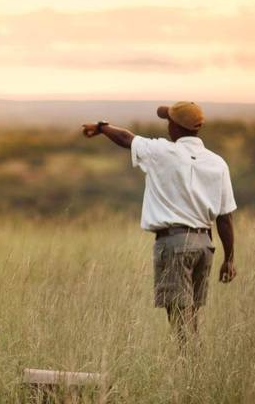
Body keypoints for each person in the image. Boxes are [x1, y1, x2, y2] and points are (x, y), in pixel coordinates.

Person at [82, 101, 237, 348]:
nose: (167, 127)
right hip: (204, 245)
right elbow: (225, 218)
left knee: (179, 318)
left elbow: (125, 138)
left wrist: (102, 128)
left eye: (169, 122)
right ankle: (193, 368)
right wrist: (229, 258)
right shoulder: (217, 163)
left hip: (174, 242)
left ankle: (189, 372)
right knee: (191, 316)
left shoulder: (163, 152)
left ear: (176, 127)